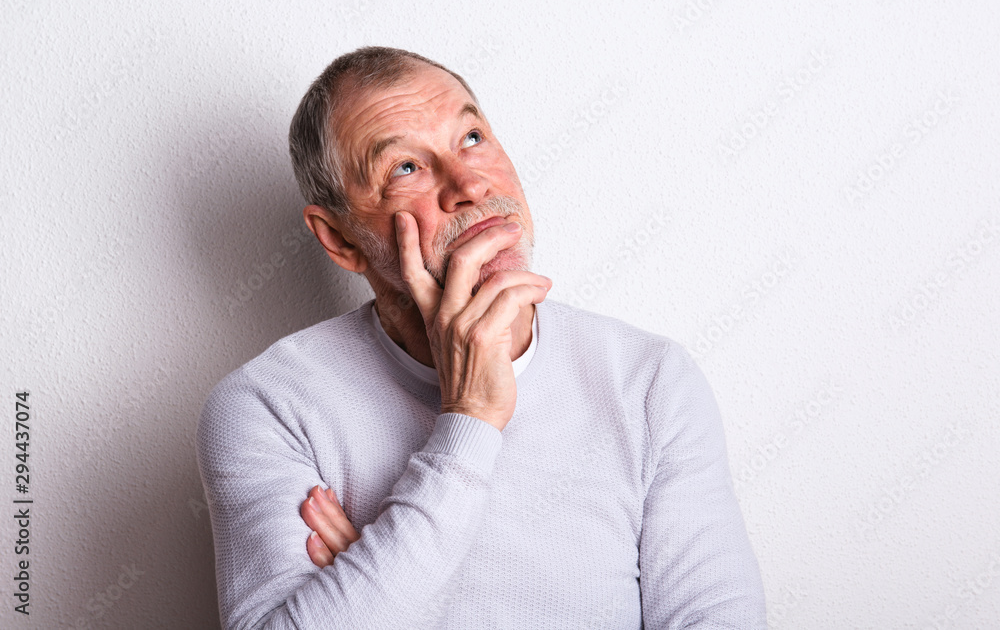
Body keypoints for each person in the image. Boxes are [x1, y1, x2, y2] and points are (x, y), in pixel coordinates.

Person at [196, 46, 767, 629]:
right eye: (405, 168)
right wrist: (468, 420)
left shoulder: (649, 381)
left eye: (471, 137)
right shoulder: (268, 406)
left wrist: (379, 587)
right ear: (339, 240)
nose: (469, 183)